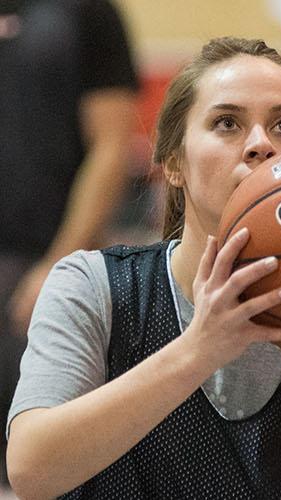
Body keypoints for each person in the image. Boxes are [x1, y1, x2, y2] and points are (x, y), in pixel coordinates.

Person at [5, 36, 281, 500]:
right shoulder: (93, 287)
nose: (261, 144)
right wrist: (199, 351)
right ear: (175, 163)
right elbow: (31, 471)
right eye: (227, 123)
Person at [0, 0, 139, 486]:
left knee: (37, 468)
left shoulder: (87, 11)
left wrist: (59, 266)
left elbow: (111, 146)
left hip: (42, 266)